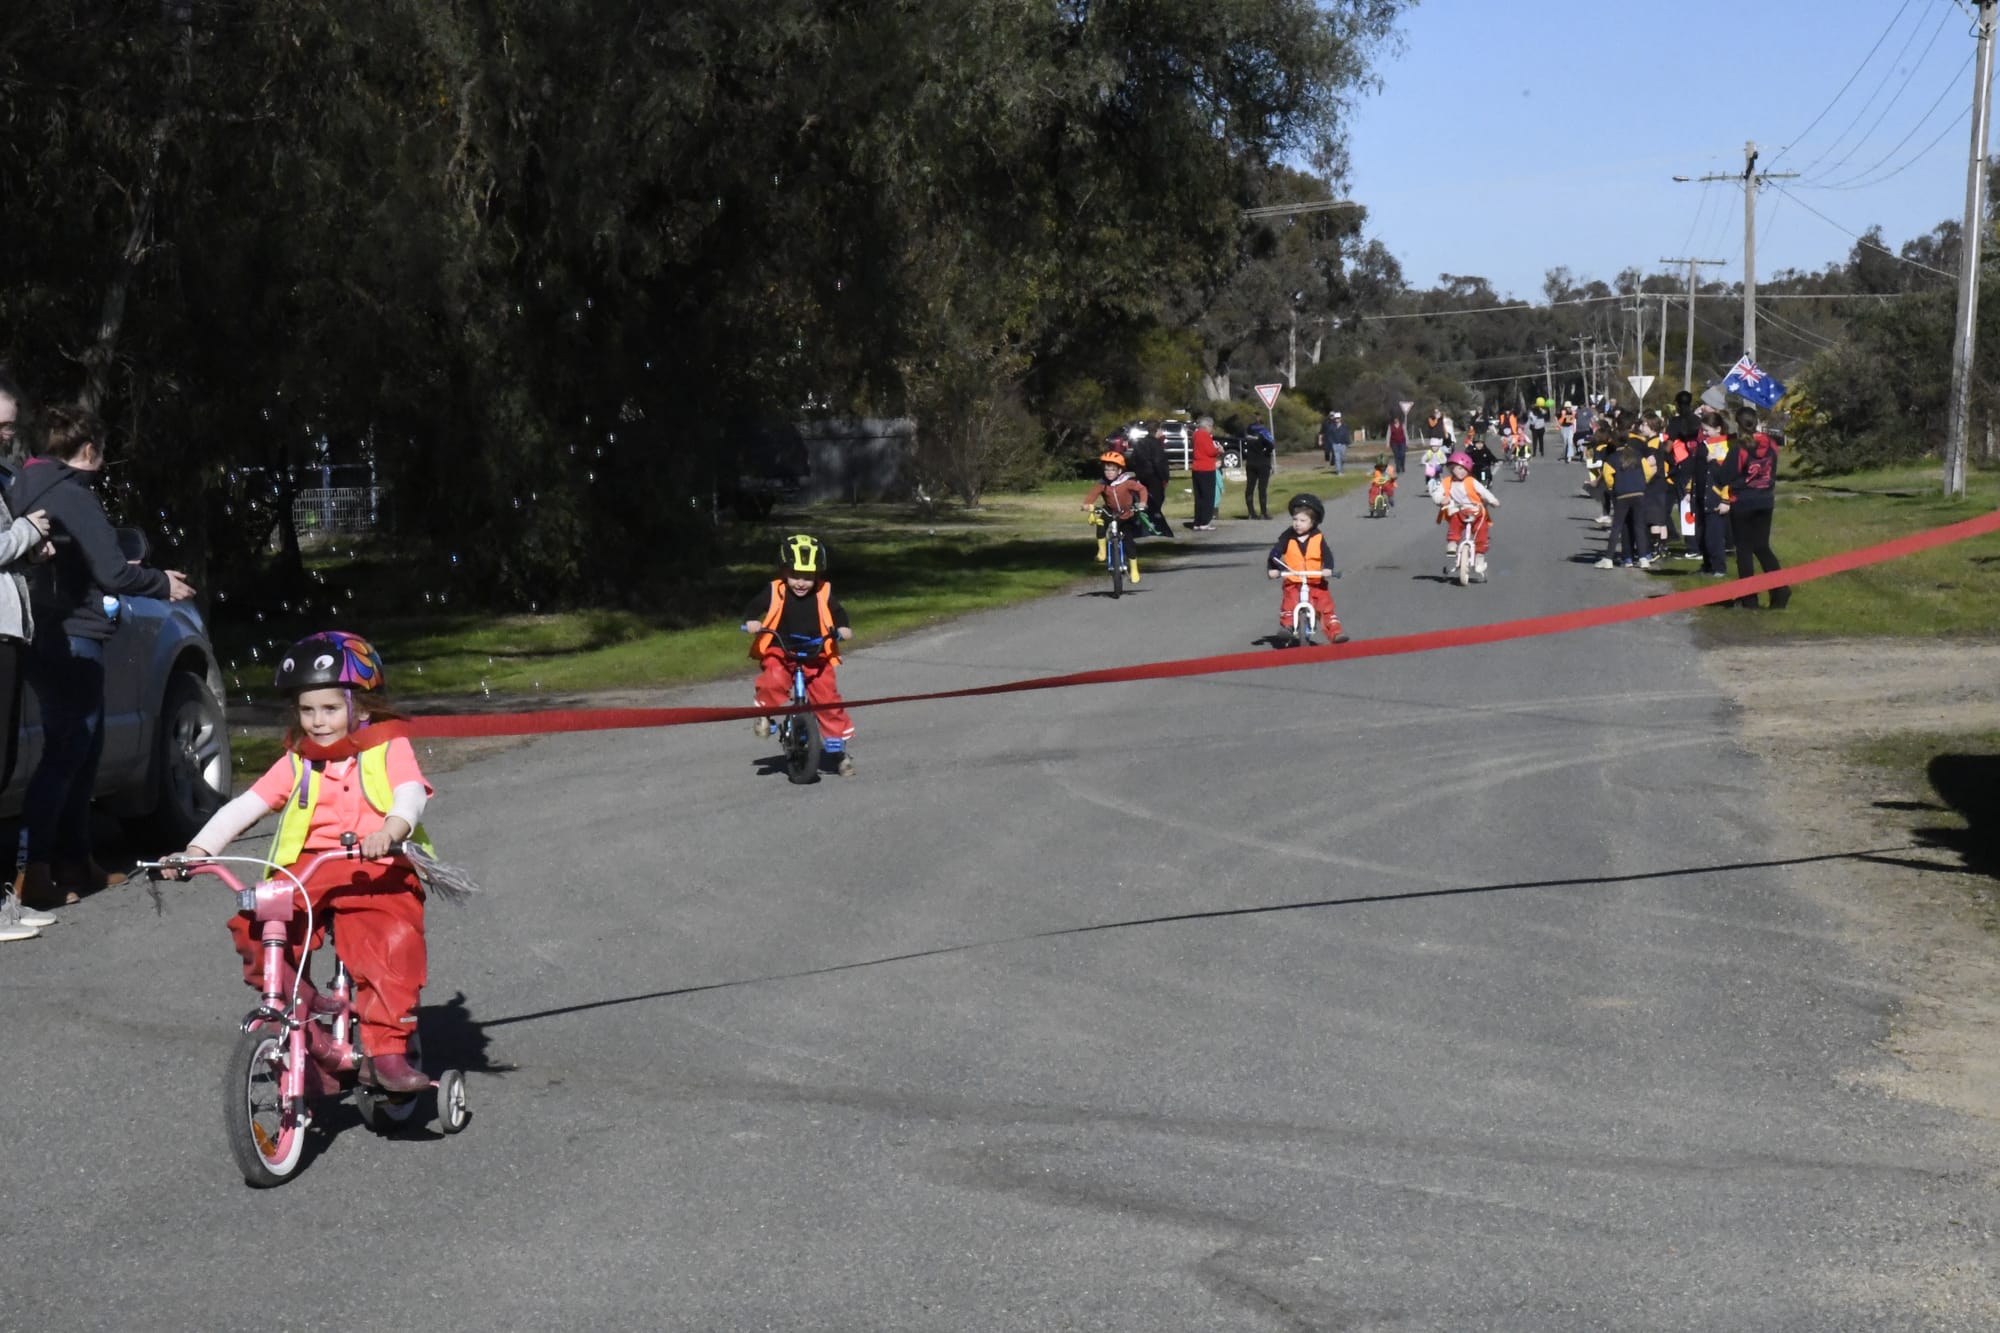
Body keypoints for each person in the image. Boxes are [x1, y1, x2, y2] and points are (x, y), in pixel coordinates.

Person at [172, 632, 435, 1092]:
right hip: (309, 869)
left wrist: (390, 831)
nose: (317, 722)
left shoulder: (387, 747)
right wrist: (197, 850)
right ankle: (302, 1025)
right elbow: (245, 806)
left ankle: (386, 1050)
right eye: (307, 710)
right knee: (258, 927)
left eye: (330, 709)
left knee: (387, 941)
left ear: (363, 708)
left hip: (377, 865)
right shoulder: (299, 759)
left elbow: (410, 793)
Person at [11, 405, 195, 911]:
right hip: (74, 634)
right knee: (69, 751)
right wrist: (162, 583)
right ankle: (36, 870)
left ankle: (74, 862)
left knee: (78, 749)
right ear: (90, 450)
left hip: (38, 632)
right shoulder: (74, 494)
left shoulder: (22, 486)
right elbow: (115, 574)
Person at [0, 377, 58, 940]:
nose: (5, 433)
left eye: (9, 424)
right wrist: (25, 530)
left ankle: (4, 902)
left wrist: (30, 547)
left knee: (3, 767)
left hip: (10, 632)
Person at [743, 534, 857, 771]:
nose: (801, 583)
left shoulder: (824, 592)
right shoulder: (775, 590)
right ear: (784, 572)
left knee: (827, 695)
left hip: (816, 649)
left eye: (807, 577)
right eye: (795, 576)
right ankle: (765, 713)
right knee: (773, 677)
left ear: (817, 575)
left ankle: (836, 742)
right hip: (782, 647)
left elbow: (839, 612)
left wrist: (843, 628)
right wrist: (752, 621)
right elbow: (754, 606)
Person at [1267, 493, 1348, 643]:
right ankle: (1288, 627)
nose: (1298, 523)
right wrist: (1273, 569)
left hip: (1315, 579)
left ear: (1313, 522)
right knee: (1290, 602)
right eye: (1295, 519)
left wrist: (1328, 568)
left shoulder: (1318, 537)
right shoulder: (1287, 536)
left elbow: (1327, 555)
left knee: (1324, 606)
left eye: (1303, 520)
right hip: (1294, 579)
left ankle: (1335, 632)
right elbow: (1275, 553)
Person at [1729, 406, 1788, 609]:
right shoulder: (1771, 444)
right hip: (1765, 499)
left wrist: (1716, 463)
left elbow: (1726, 476)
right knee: (1762, 546)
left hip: (1743, 501)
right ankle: (1780, 590)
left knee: (1744, 550)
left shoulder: (1739, 448)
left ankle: (1749, 598)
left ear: (1738, 425)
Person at [1082, 449, 1151, 580]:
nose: (1109, 473)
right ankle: (1102, 552)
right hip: (1109, 511)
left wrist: (1142, 503)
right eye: (1106, 469)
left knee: (1129, 541)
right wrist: (1086, 504)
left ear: (1119, 471)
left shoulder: (1127, 482)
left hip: (1125, 514)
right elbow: (1092, 495)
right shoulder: (1103, 484)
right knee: (1101, 523)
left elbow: (1142, 489)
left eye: (1112, 470)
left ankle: (1134, 570)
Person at [1431, 451, 1500, 581]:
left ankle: (1479, 557)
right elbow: (1437, 493)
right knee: (1455, 523)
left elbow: (1483, 492)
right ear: (1451, 468)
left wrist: (1493, 500)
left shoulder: (1471, 481)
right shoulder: (1447, 482)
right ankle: (1452, 543)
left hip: (1475, 509)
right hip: (1458, 509)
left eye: (1465, 469)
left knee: (1482, 530)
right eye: (1459, 468)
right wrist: (1441, 500)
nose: (1462, 472)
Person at [1594, 430, 1656, 568]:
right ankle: (1643, 558)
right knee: (1639, 526)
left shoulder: (1611, 459)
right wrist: (1641, 483)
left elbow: (1608, 478)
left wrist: (1613, 489)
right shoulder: (1637, 455)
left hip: (1622, 494)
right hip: (1639, 493)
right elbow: (1648, 472)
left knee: (1617, 526)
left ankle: (1608, 558)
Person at [1693, 409, 1736, 576]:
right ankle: (1707, 565)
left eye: (1707, 430)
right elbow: (1697, 470)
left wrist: (1725, 500)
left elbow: (1726, 476)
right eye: (1702, 430)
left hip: (1715, 497)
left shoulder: (1722, 446)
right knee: (1701, 535)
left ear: (1718, 429)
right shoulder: (1703, 446)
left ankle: (1719, 567)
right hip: (1701, 494)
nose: (1704, 433)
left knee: (1714, 536)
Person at [1125, 424, 1173, 538]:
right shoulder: (1156, 444)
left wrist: (1138, 472)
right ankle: (1154, 525)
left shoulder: (1140, 443)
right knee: (1156, 501)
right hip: (1154, 476)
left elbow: (1132, 460)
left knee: (1143, 499)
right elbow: (1158, 462)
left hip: (1142, 476)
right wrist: (1164, 477)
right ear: (1157, 431)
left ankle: (1144, 524)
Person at [1239, 423, 1276, 520]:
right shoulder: (1263, 433)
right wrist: (1266, 452)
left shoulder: (1248, 434)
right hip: (1263, 463)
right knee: (1262, 488)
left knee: (1250, 487)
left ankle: (1251, 512)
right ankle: (1264, 512)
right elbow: (1271, 445)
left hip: (1251, 462)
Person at [1189, 415, 1220, 530]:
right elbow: (1210, 451)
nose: (1211, 429)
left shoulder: (1195, 434)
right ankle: (1205, 522)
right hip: (1206, 468)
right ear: (1207, 425)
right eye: (1211, 426)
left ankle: (1197, 521)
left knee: (1199, 496)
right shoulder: (1204, 435)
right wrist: (1218, 450)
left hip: (1196, 467)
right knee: (1208, 496)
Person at [1388, 414, 1408, 479]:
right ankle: (1398, 468)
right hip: (1394, 443)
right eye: (1394, 419)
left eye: (1397, 419)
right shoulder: (1391, 426)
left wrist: (1407, 442)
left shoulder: (1402, 425)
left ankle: (1402, 466)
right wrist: (1387, 443)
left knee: (1402, 454)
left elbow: (1405, 433)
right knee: (1396, 455)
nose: (1396, 420)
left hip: (1402, 442)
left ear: (1398, 419)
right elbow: (1388, 435)